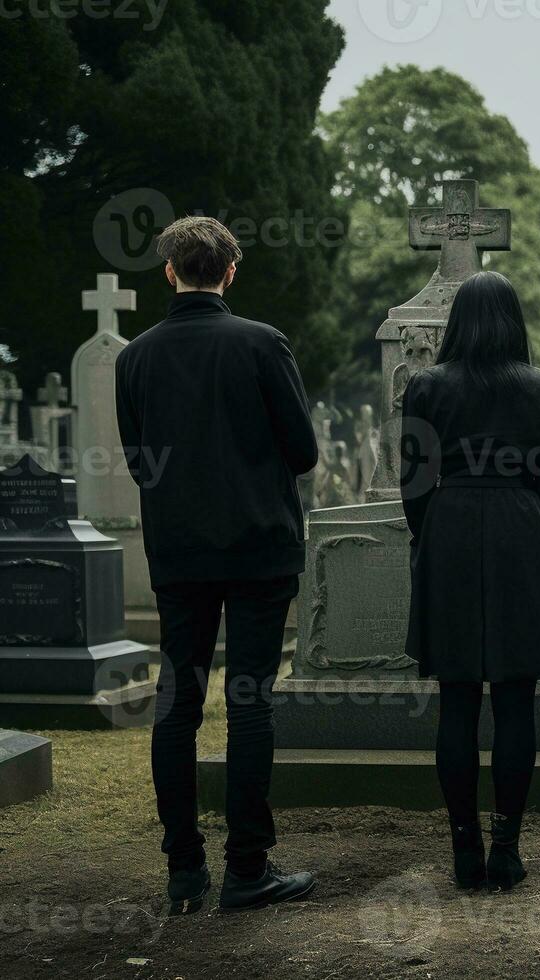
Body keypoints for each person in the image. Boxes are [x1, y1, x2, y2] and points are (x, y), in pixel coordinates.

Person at [115, 216, 318, 915]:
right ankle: (248, 869)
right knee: (250, 702)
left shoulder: (135, 356)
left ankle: (183, 871)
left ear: (169, 272)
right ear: (231, 272)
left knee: (178, 702)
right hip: (259, 547)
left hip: (179, 553)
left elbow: (140, 462)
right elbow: (305, 451)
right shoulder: (263, 344)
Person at [399, 271, 540, 892]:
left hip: (449, 530)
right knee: (514, 697)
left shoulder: (426, 386)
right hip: (519, 531)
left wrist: (433, 535)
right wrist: (529, 528)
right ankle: (507, 845)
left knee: (456, 699)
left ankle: (463, 847)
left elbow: (414, 482)